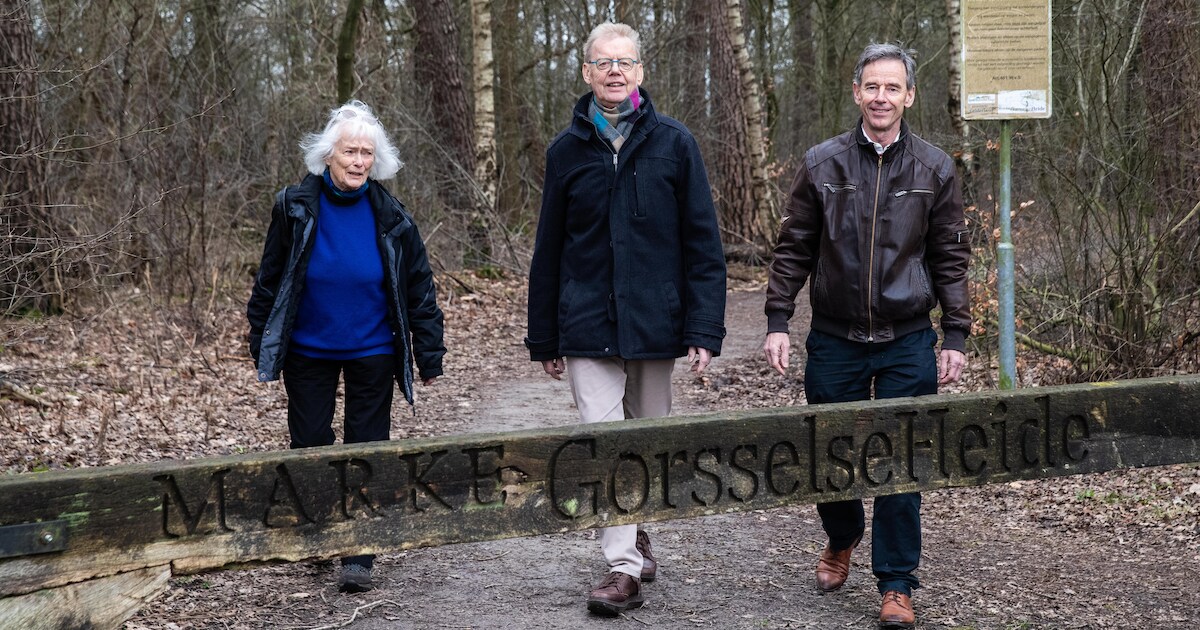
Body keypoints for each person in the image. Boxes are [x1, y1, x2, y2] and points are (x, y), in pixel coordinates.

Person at [762, 43, 970, 629]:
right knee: (831, 455)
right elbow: (793, 247)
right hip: (834, 336)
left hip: (908, 338)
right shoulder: (822, 163)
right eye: (871, 87)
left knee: (905, 459)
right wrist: (778, 321)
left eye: (892, 88)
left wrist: (954, 334)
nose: (881, 98)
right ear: (857, 93)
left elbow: (951, 257)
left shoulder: (934, 169)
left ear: (908, 96)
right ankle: (842, 534)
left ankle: (898, 582)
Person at [525, 21, 727, 617]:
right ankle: (621, 567)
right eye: (603, 62)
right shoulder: (566, 152)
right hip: (586, 320)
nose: (614, 71)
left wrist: (703, 329)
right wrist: (545, 336)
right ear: (587, 72)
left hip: (655, 322)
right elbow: (549, 248)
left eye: (625, 62)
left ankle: (636, 528)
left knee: (649, 439)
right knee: (606, 438)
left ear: (640, 72)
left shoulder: (674, 143)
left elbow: (702, 244)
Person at [246, 100, 446, 594]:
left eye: (367, 154)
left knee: (367, 446)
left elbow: (419, 285)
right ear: (327, 156)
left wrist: (429, 350)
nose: (359, 161)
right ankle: (317, 535)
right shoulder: (294, 206)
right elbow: (270, 278)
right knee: (310, 444)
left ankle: (359, 550)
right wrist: (260, 338)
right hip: (307, 348)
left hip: (372, 347)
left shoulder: (392, 215)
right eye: (350, 151)